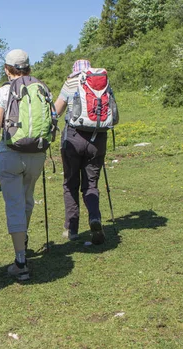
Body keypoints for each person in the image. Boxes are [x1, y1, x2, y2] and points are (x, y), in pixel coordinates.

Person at [0, 49, 50, 281]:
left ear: (7, 68)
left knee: (14, 204)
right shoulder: (41, 87)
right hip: (37, 153)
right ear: (28, 67)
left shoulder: (4, 91)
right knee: (27, 199)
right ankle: (22, 238)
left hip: (11, 153)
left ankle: (20, 260)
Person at [54, 59, 107, 245]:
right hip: (97, 139)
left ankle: (72, 229)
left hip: (73, 138)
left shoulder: (70, 82)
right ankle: (95, 218)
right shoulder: (101, 84)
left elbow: (56, 111)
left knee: (70, 184)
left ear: (74, 70)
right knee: (91, 184)